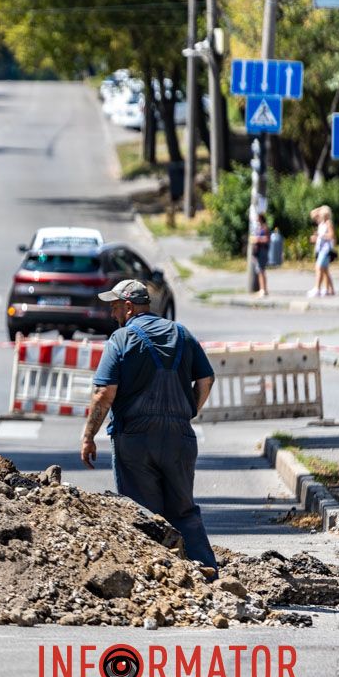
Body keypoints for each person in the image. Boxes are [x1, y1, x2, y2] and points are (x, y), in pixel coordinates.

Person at [80, 279, 217, 575]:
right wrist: (188, 411)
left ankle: (154, 579)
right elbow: (206, 381)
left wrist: (89, 436)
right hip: (179, 438)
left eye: (116, 307)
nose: (113, 314)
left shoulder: (121, 339)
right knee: (183, 511)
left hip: (136, 442)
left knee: (143, 514)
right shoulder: (182, 333)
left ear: (129, 307)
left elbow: (104, 393)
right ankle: (207, 576)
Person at [309, 205, 335, 297]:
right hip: (320, 249)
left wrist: (321, 236)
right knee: (325, 270)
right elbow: (312, 214)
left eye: (320, 213)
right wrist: (320, 208)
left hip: (326, 250)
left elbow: (331, 236)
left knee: (318, 267)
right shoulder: (321, 223)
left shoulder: (328, 223)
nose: (318, 215)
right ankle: (330, 290)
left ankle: (317, 288)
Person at [250, 212, 271, 298]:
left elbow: (267, 239)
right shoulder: (259, 228)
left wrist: (257, 239)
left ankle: (263, 289)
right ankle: (262, 289)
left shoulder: (265, 228)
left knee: (261, 270)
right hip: (258, 251)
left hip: (262, 251)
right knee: (260, 271)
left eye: (257, 218)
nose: (256, 220)